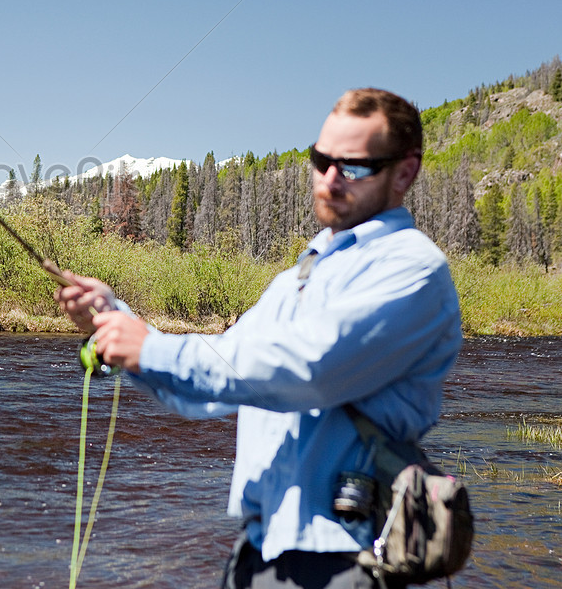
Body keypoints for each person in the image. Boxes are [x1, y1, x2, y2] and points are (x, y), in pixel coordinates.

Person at [56, 88, 462, 589]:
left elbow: (306, 369)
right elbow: (211, 385)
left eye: (353, 166)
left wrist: (153, 348)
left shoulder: (413, 270)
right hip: (256, 556)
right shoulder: (294, 280)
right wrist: (115, 324)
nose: (330, 178)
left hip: (346, 562)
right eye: (320, 160)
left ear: (404, 172)